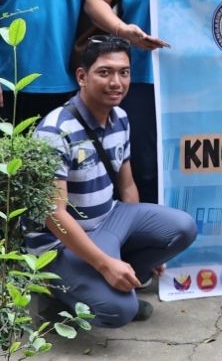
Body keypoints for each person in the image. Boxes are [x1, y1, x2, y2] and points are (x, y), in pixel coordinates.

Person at [31, 37, 198, 328]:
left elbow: (128, 186)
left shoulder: (120, 117)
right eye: (104, 72)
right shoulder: (55, 131)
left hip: (109, 222)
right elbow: (53, 215)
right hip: (62, 242)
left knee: (183, 228)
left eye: (124, 72)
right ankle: (54, 295)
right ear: (82, 76)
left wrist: (144, 244)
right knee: (118, 311)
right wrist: (105, 264)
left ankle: (112, 279)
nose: (116, 82)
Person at [84, 0, 199, 202]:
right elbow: (95, 2)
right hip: (140, 80)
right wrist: (123, 31)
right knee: (142, 167)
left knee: (188, 163)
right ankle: (147, 243)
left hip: (192, 82)